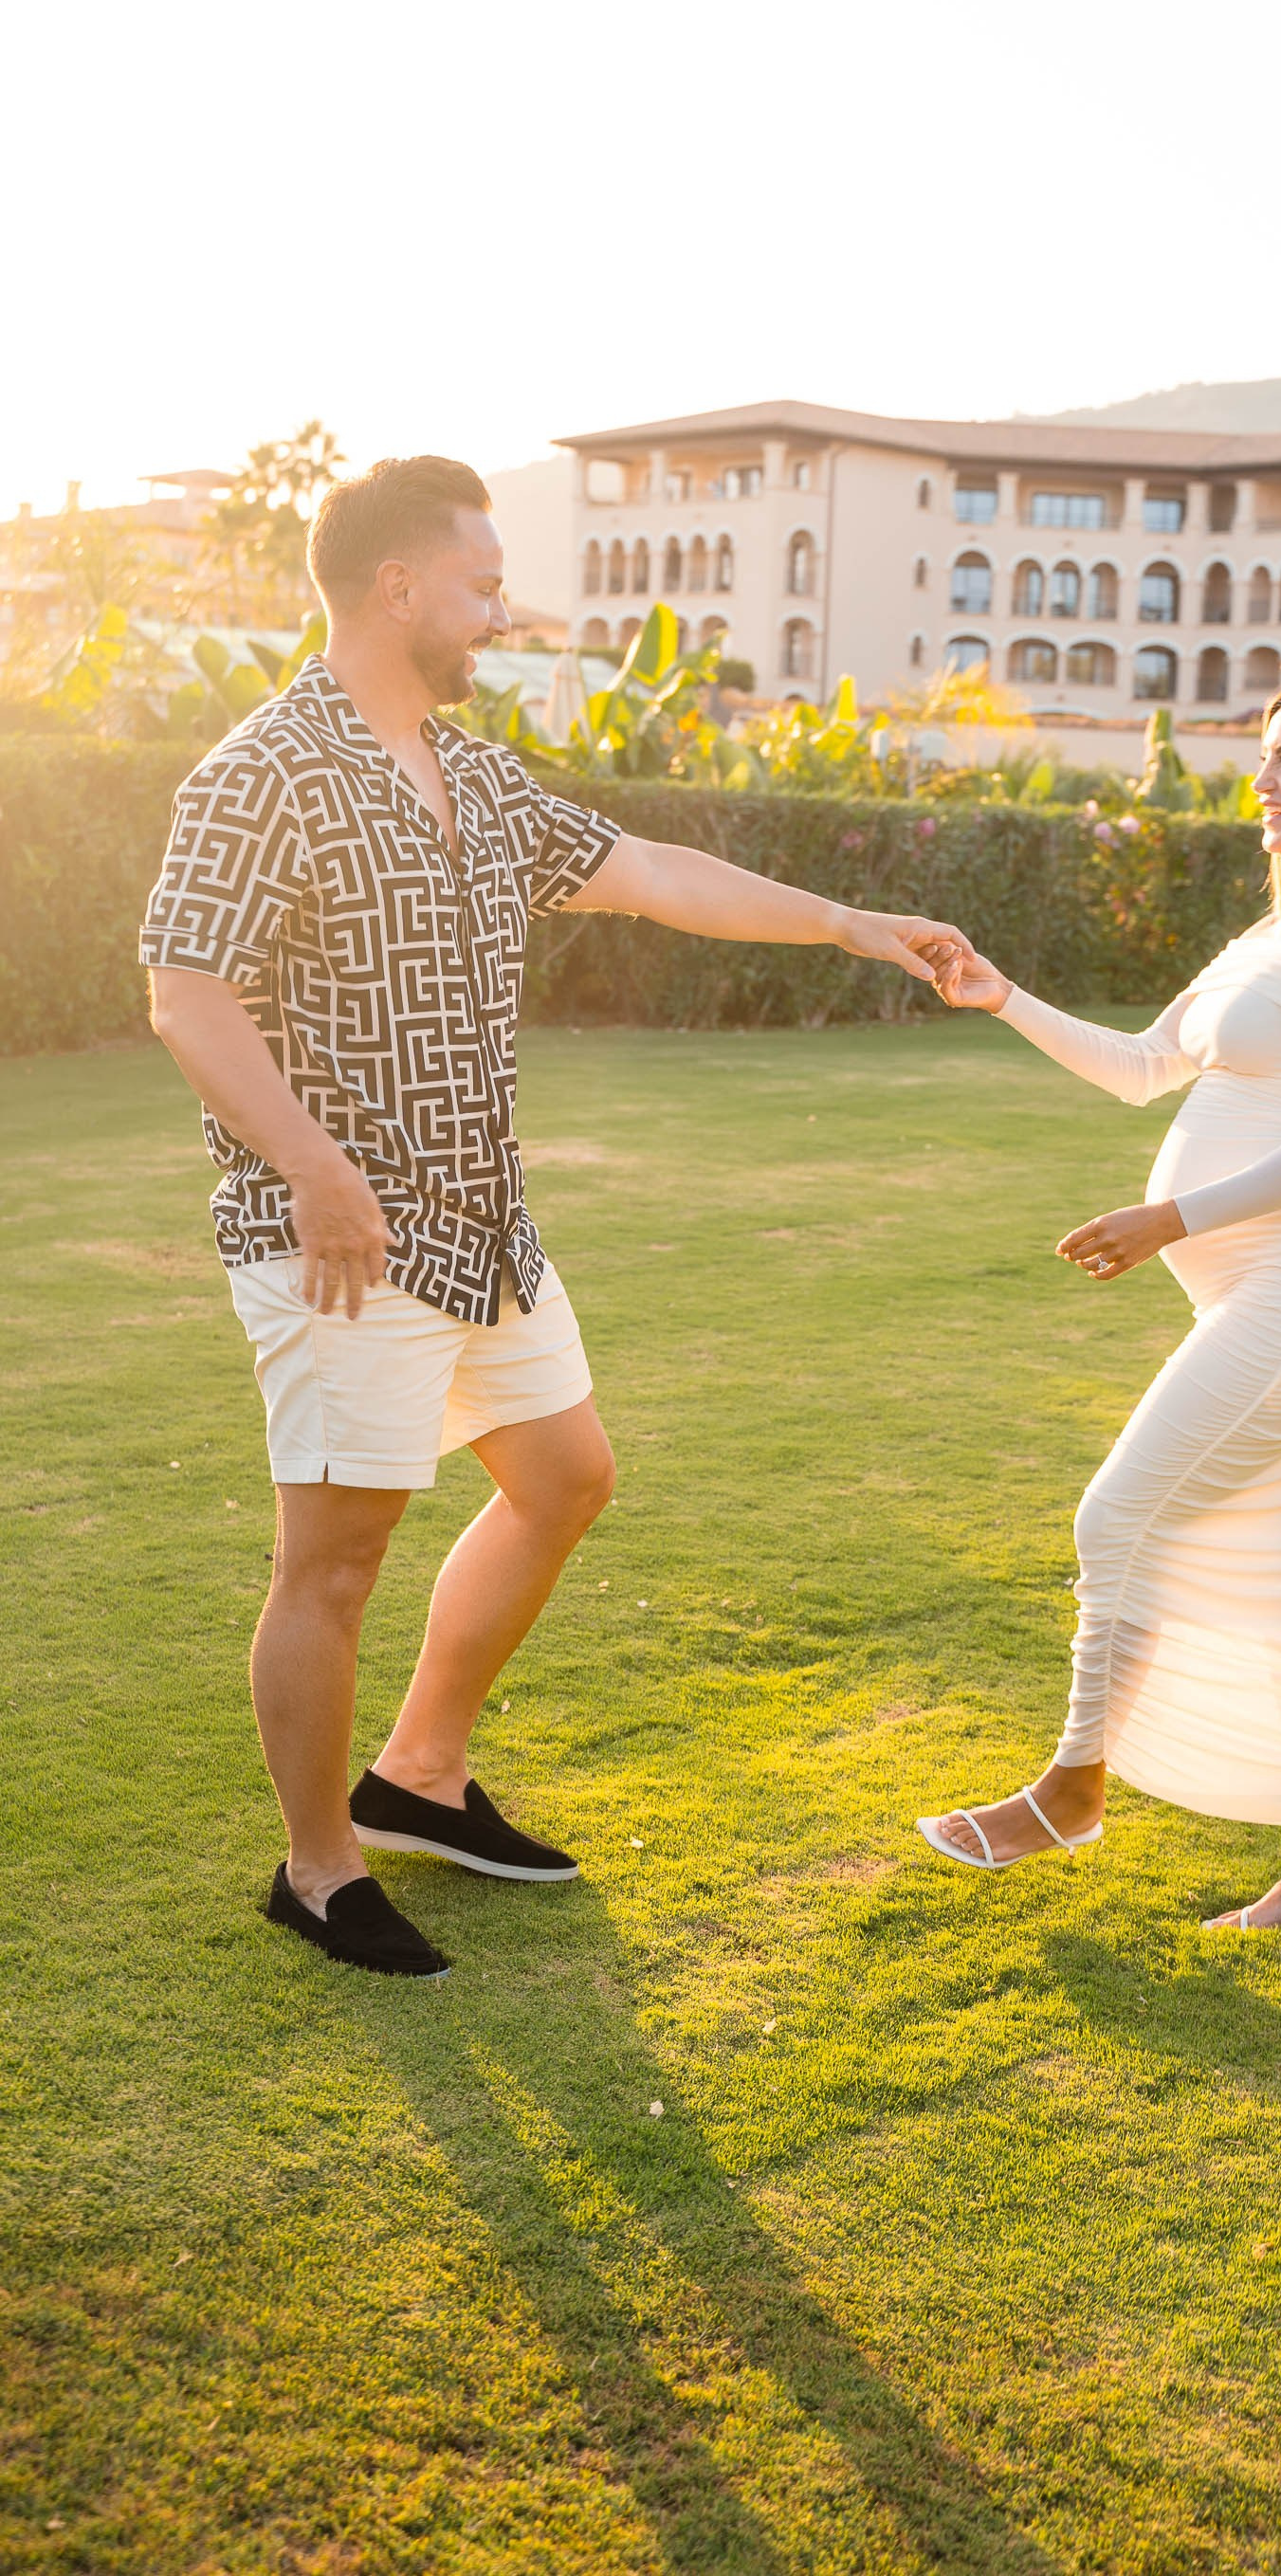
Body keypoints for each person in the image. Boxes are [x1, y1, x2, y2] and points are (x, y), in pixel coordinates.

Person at [141, 456, 970, 1979]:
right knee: (333, 1561)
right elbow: (186, 989)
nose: (499, 609)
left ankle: (421, 1778)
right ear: (397, 587)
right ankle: (320, 1871)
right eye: (480, 581)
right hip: (341, 1242)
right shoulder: (261, 770)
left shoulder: (472, 772)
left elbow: (649, 870)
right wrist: (317, 1168)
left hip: (485, 1231)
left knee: (567, 1476)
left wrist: (853, 922)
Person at [918, 669, 1281, 1932]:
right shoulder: (1274, 933)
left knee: (1117, 1521)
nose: (1262, 784)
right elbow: (1144, 1069)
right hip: (1273, 1301)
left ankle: (1068, 1791)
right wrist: (1004, 998)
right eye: (1263, 759)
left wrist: (1167, 1219)